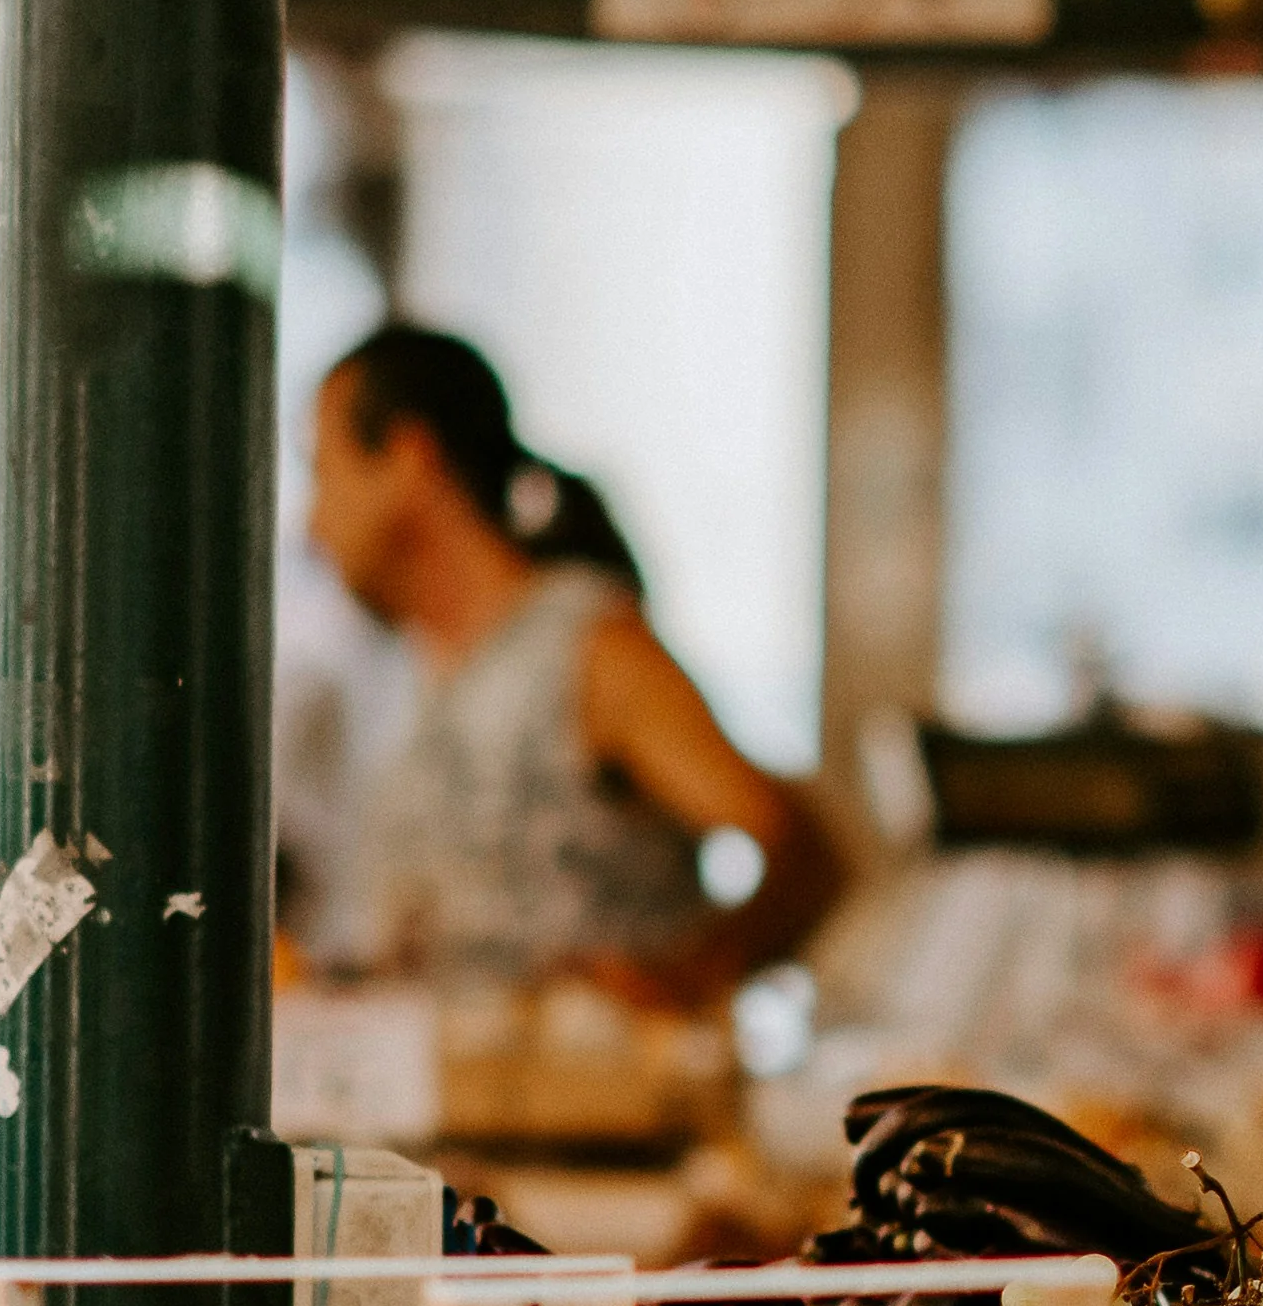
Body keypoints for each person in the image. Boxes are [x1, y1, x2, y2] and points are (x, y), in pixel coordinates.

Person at [293, 328, 849, 1003]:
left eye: (324, 472)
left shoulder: (589, 651)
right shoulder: (417, 675)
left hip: (593, 1105)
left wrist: (688, 977)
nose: (312, 527)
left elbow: (808, 854)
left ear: (410, 460)